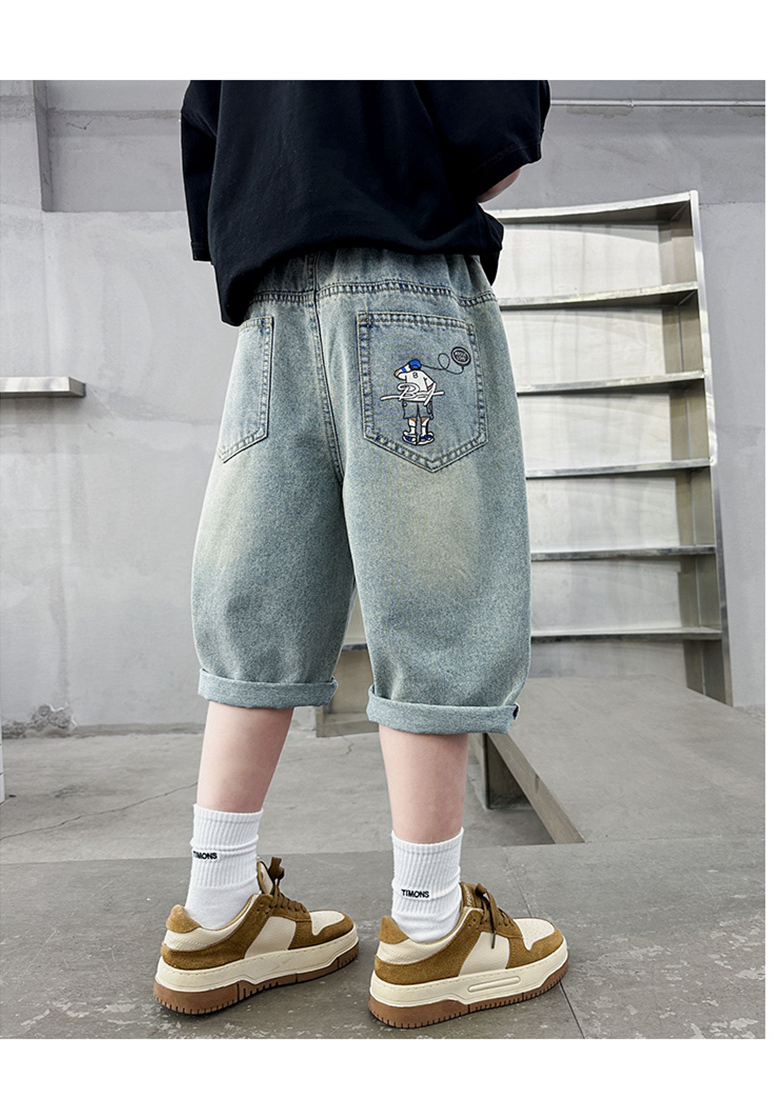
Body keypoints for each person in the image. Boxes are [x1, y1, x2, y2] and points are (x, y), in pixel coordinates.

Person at [152, 79, 567, 1029]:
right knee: (436, 602)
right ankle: (429, 931)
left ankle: (215, 915)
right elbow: (492, 146)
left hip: (271, 315)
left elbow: (208, 147)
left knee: (254, 606)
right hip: (408, 294)